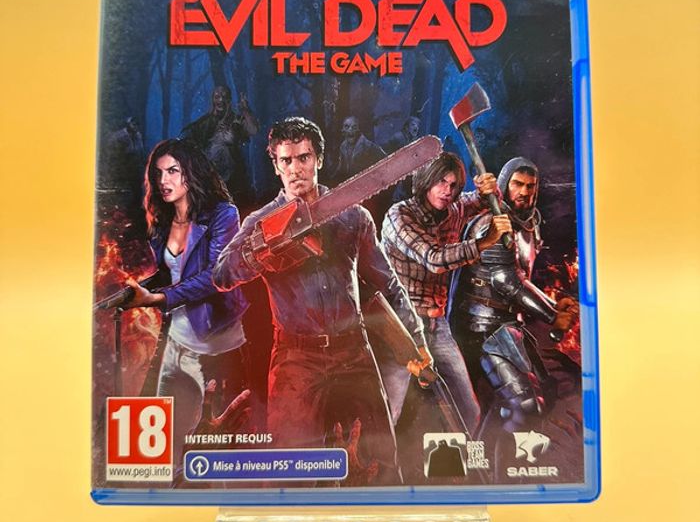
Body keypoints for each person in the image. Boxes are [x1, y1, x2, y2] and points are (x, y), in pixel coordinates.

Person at [213, 116, 427, 485]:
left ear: (319, 160)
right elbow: (221, 276)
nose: (296, 169)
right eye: (286, 160)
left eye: (304, 158)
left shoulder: (353, 215)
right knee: (287, 473)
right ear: (276, 165)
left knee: (381, 467)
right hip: (296, 359)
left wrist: (417, 339)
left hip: (354, 351)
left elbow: (388, 284)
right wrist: (261, 250)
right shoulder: (259, 222)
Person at [124, 138, 249, 470]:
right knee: (167, 445)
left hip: (215, 347)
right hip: (175, 343)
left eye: (173, 171)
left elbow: (215, 276)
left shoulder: (223, 215)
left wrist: (159, 298)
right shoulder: (164, 221)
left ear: (191, 174)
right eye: (158, 173)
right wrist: (132, 293)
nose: (163, 180)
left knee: (218, 449)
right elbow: (171, 273)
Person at [448, 157, 577, 443]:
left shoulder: (528, 224)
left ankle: (490, 453)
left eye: (531, 186)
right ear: (505, 185)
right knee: (525, 405)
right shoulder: (491, 225)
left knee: (547, 391)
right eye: (518, 184)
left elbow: (520, 276)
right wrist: (552, 315)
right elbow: (506, 281)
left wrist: (553, 307)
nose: (524, 192)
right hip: (482, 329)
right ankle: (490, 460)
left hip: (507, 325)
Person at [381, 152, 506, 436]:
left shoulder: (454, 209)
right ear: (426, 181)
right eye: (441, 182)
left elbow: (483, 200)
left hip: (437, 326)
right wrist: (484, 242)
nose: (447, 191)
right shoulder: (399, 216)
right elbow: (434, 259)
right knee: (388, 411)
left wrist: (490, 190)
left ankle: (461, 460)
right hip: (399, 325)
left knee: (468, 410)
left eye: (453, 185)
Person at [182, 85, 259, 209]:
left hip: (235, 180)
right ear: (212, 99)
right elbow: (187, 140)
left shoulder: (236, 120)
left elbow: (253, 130)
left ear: (229, 99)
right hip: (210, 181)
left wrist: (245, 109)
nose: (221, 100)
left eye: (224, 96)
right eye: (217, 96)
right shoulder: (203, 123)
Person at [333, 115, 385, 184]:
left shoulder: (368, 146)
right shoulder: (343, 147)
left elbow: (385, 162)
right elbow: (341, 168)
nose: (350, 130)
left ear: (359, 130)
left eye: (354, 127)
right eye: (346, 127)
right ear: (343, 130)